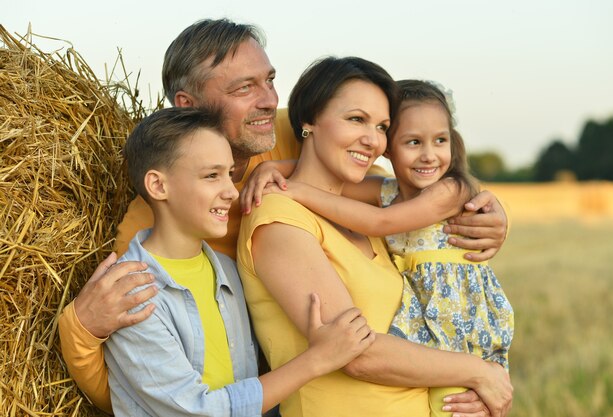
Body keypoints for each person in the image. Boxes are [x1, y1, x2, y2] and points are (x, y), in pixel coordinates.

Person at [57, 18, 509, 415]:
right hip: (268, 394)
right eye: (244, 88)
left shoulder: (290, 142)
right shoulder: (151, 223)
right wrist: (81, 329)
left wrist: (480, 208)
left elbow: (390, 188)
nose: (268, 101)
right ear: (187, 103)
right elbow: (142, 387)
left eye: (270, 80)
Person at [236, 56, 513, 417]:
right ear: (308, 121)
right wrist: (482, 373)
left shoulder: (379, 215)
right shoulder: (279, 217)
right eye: (356, 119)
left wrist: (477, 395)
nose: (373, 141)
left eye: (382, 127)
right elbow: (357, 353)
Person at [103, 105, 375, 416]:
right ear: (158, 186)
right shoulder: (131, 296)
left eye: (230, 174)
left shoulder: (228, 271)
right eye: (211, 176)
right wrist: (317, 359)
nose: (231, 192)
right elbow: (199, 410)